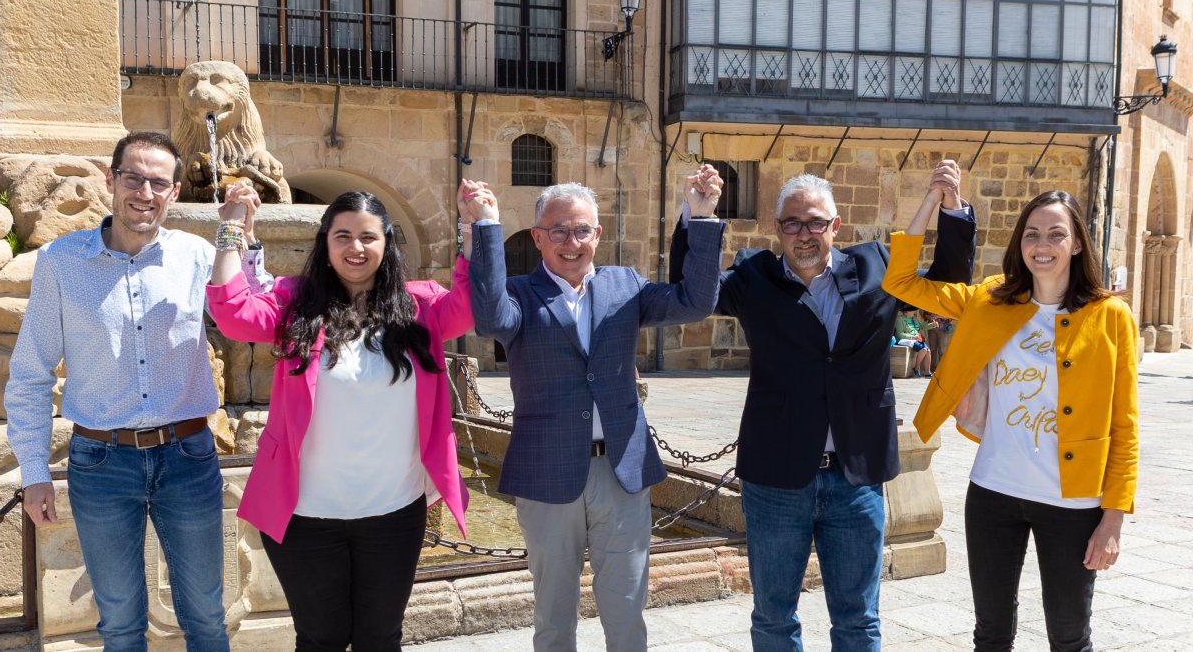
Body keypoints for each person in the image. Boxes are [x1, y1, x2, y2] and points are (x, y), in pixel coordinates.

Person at [670, 160, 977, 651]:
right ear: (778, 229)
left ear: (836, 225)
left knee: (858, 620)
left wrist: (953, 209)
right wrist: (699, 217)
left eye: (816, 221)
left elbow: (947, 285)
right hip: (776, 480)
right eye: (793, 222)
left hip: (855, 479)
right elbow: (691, 294)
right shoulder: (754, 275)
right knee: (773, 616)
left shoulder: (878, 266)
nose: (804, 233)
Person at [5, 131, 272, 650]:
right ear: (111, 180)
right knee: (120, 626)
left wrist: (244, 236)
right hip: (100, 463)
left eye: (158, 182)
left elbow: (255, 314)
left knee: (206, 619)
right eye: (133, 177)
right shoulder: (61, 262)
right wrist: (34, 472)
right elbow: (31, 373)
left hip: (189, 458)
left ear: (174, 193)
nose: (144, 192)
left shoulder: (197, 256)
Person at [464, 167, 725, 651]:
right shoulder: (519, 294)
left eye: (581, 229)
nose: (571, 241)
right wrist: (484, 228)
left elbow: (693, 303)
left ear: (597, 235)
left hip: (621, 472)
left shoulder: (624, 285)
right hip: (547, 474)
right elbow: (489, 318)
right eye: (558, 231)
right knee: (554, 614)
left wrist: (702, 216)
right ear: (538, 238)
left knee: (626, 613)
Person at [206, 188, 475, 651]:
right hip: (306, 516)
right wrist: (232, 227)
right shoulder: (295, 302)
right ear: (325, 244)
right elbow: (232, 315)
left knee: (380, 638)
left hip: (394, 513)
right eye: (343, 236)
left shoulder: (421, 307)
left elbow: (473, 304)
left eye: (368, 237)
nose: (356, 248)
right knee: (320, 640)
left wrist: (475, 229)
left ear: (387, 243)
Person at [882, 188, 1138, 651]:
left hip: (1073, 505)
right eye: (1032, 234)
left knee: (1069, 636)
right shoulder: (989, 300)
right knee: (991, 635)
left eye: (1056, 234)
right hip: (994, 494)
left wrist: (1113, 521)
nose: (1042, 244)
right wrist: (930, 204)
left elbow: (1126, 426)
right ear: (1020, 243)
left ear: (1077, 243)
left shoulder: (1110, 316)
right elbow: (900, 282)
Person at [894, 308, 935, 377]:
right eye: (912, 310)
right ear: (906, 312)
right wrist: (911, 337)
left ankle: (927, 372)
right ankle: (916, 368)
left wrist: (933, 325)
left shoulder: (915, 319)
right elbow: (899, 334)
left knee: (928, 351)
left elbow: (924, 326)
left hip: (916, 339)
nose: (914, 311)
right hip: (904, 339)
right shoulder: (899, 319)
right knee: (924, 349)